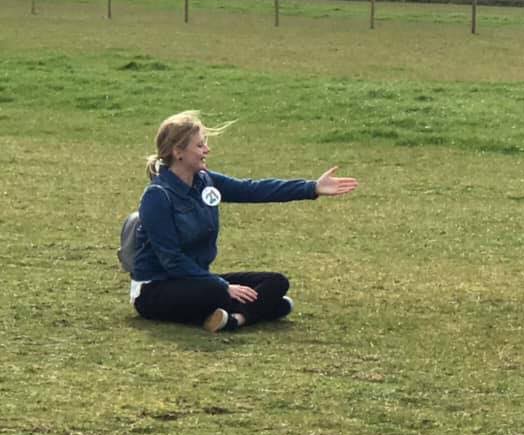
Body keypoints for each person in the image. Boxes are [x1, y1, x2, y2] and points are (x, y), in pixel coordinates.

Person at [129, 111, 358, 332]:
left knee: (276, 282)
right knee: (232, 295)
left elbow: (252, 189)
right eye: (199, 145)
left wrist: (312, 188)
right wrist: (222, 286)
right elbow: (172, 261)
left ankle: (235, 319)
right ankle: (259, 310)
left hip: (198, 280)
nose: (207, 149)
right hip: (156, 289)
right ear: (178, 152)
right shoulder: (158, 196)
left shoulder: (205, 180)